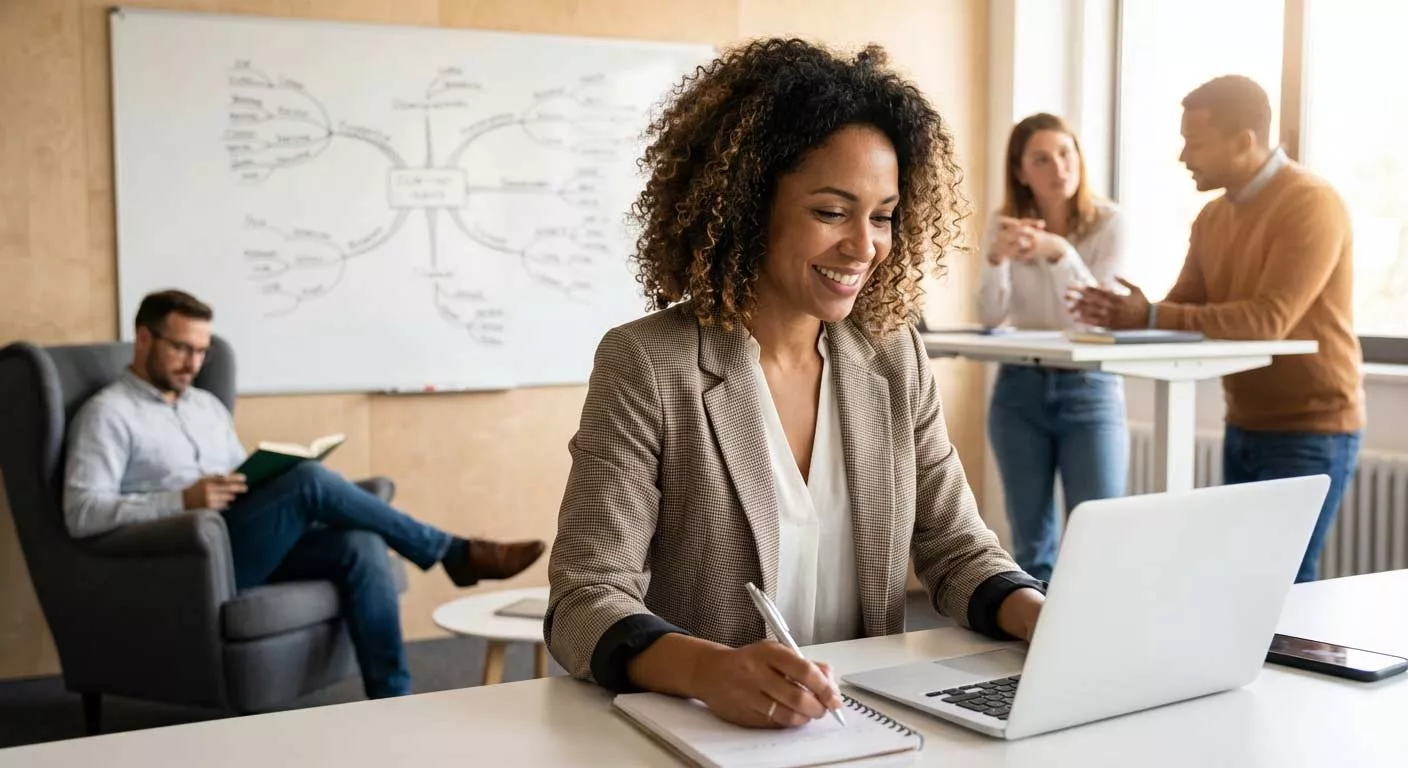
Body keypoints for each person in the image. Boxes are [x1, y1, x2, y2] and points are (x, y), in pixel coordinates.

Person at [545, 38, 1045, 730]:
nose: (864, 246)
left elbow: (956, 550)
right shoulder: (649, 364)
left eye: (883, 215)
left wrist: (1044, 618)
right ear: (750, 204)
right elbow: (585, 597)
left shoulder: (893, 356)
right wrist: (708, 669)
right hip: (714, 730)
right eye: (831, 212)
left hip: (868, 726)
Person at [64, 289, 547, 698]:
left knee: (360, 545)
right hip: (188, 561)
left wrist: (255, 478)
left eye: (202, 351)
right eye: (181, 349)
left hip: (244, 539)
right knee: (311, 483)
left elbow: (235, 478)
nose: (194, 363)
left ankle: (393, 699)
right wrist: (180, 501)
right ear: (144, 338)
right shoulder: (108, 415)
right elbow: (82, 513)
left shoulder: (206, 407)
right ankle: (453, 551)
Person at [1071, 75, 1364, 582]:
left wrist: (1155, 316)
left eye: (1196, 142)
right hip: (1245, 420)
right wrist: (1133, 312)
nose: (1184, 156)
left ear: (1245, 141)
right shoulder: (1210, 217)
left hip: (1312, 426)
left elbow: (1267, 321)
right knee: (1245, 583)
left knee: (1283, 584)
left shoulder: (1311, 204)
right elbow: (1183, 305)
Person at [978, 113, 1129, 582]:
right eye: (1041, 159)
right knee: (1030, 545)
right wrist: (997, 258)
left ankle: (1099, 647)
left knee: (1099, 540)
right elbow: (989, 315)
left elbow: (1094, 314)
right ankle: (1035, 646)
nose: (1058, 167)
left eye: (1066, 154)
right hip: (1019, 388)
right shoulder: (1002, 223)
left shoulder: (1110, 223)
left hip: (1090, 388)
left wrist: (1058, 251)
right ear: (1021, 171)